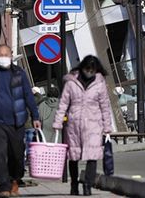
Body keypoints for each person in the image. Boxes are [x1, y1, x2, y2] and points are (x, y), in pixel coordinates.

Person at [0, 45, 41, 197]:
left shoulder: (19, 73)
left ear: (11, 55)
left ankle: (15, 180)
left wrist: (35, 116)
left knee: (17, 154)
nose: (3, 57)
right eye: (0, 54)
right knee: (0, 154)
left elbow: (28, 96)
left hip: (17, 121)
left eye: (6, 54)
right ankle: (4, 186)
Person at [53, 56, 113, 196]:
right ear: (82, 67)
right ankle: (74, 184)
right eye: (87, 69)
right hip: (74, 124)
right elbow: (63, 103)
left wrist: (107, 126)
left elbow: (105, 105)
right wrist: (58, 121)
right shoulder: (71, 83)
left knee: (92, 156)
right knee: (73, 156)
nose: (89, 72)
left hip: (94, 124)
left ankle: (87, 185)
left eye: (92, 70)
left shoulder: (99, 83)